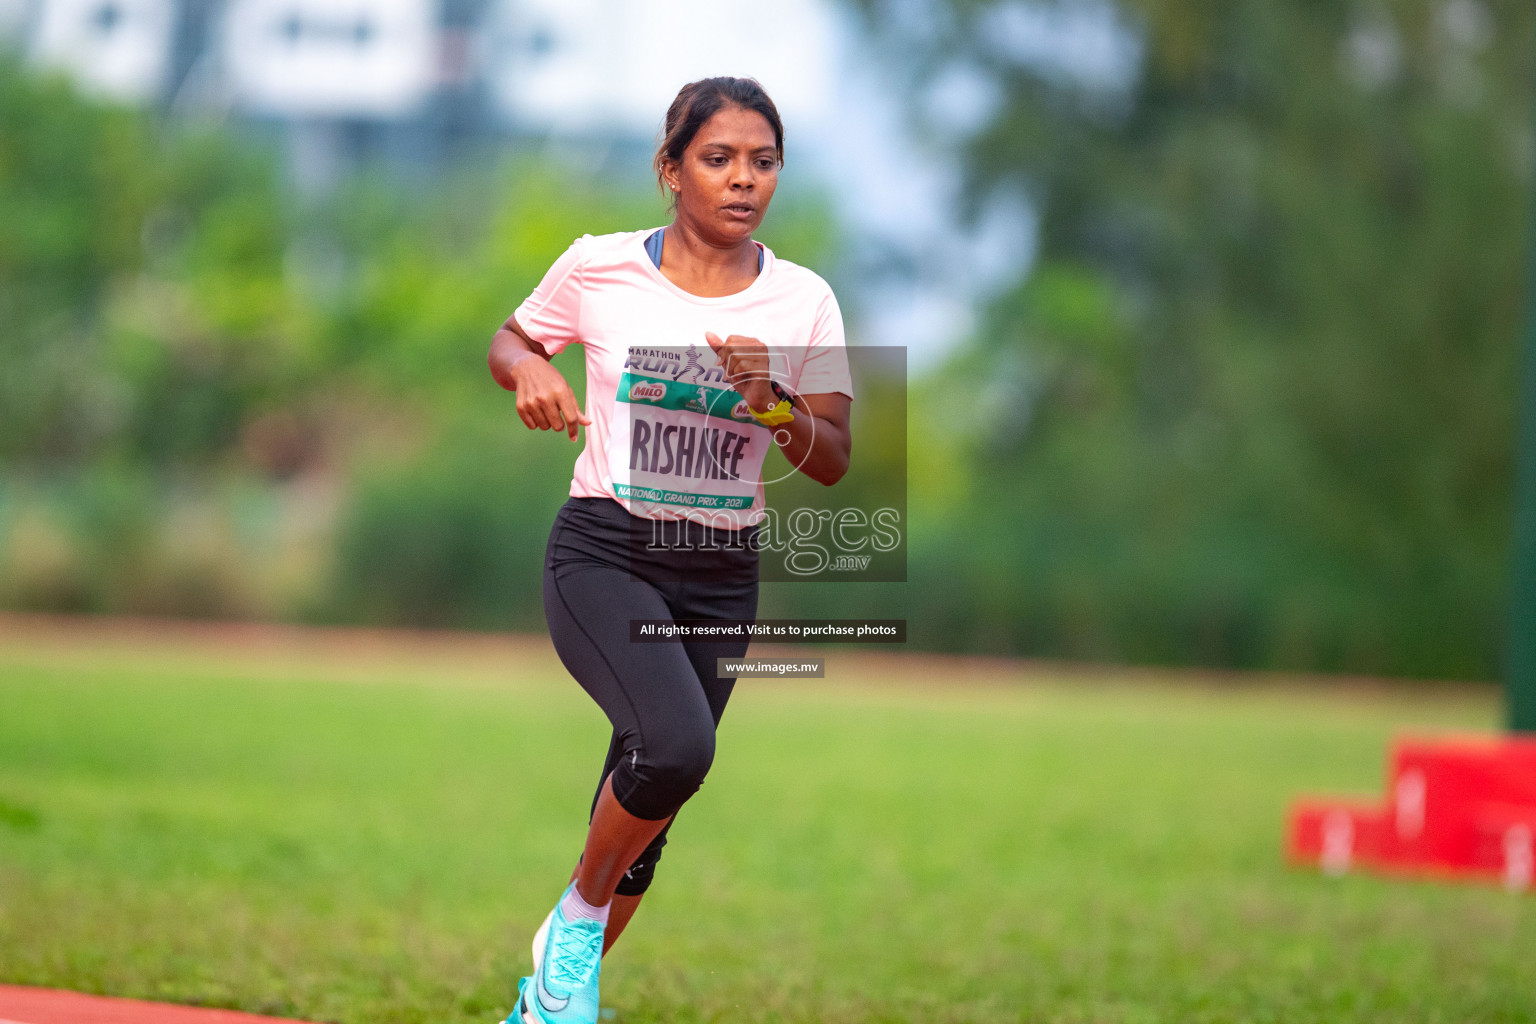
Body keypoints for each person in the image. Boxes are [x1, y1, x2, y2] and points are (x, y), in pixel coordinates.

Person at [486, 76, 854, 1024]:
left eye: (763, 162)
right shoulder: (602, 267)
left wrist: (773, 398)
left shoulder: (804, 300)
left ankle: (546, 1007)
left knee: (652, 799)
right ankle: (577, 914)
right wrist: (530, 369)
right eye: (719, 159)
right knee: (680, 750)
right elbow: (512, 340)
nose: (744, 181)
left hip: (723, 573)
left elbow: (833, 461)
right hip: (607, 553)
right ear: (671, 168)